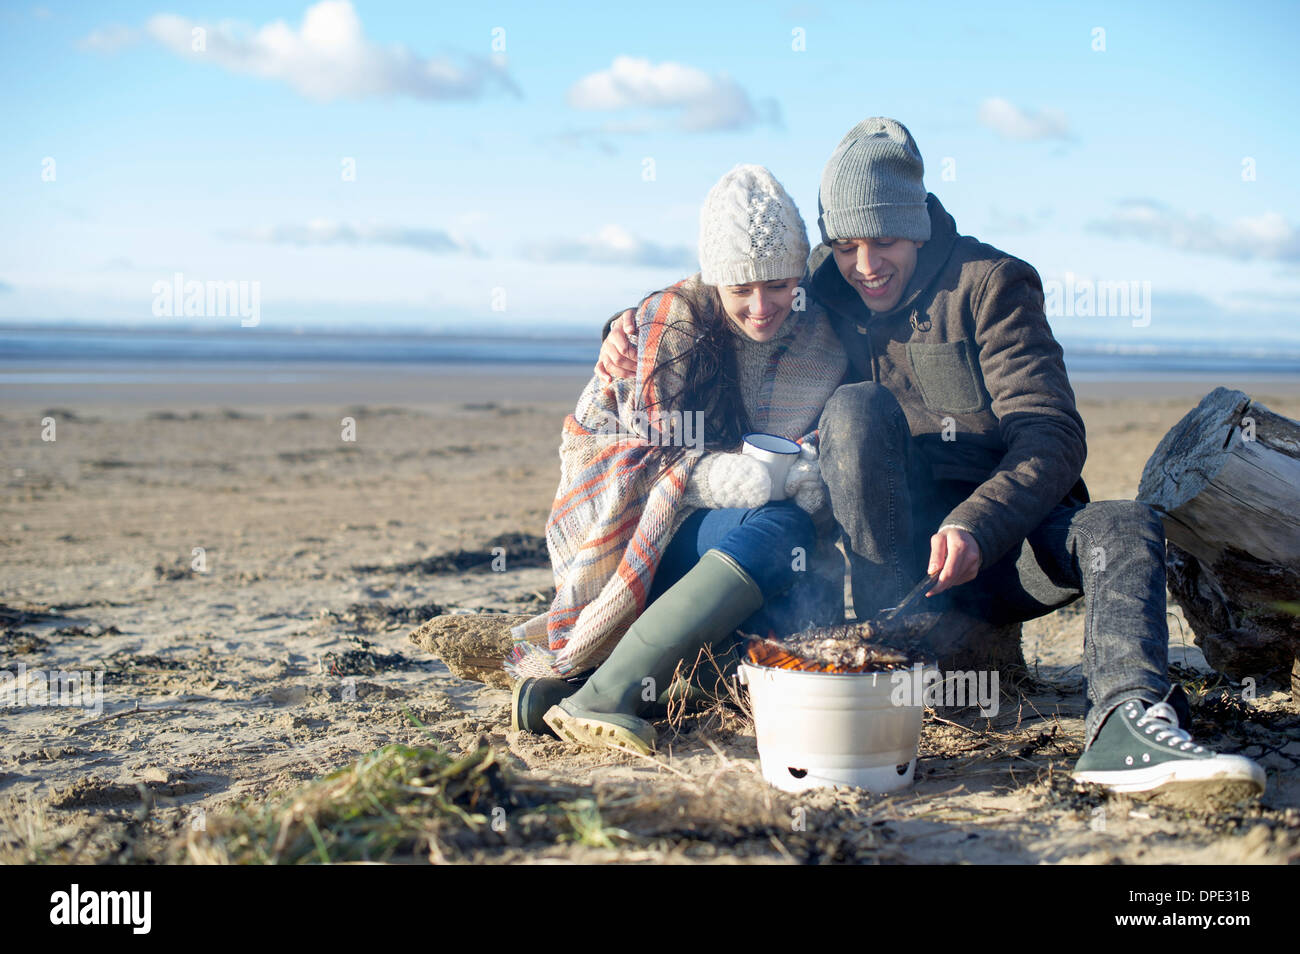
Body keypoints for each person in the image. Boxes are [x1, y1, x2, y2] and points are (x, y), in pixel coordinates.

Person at [595, 118, 1266, 802]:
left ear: (916, 226)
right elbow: (736, 279)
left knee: (1123, 521)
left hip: (1011, 544)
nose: (865, 265)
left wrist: (978, 524)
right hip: (900, 565)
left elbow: (1053, 433)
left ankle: (1126, 721)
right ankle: (895, 659)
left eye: (883, 240)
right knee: (853, 410)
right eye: (846, 245)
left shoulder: (992, 283)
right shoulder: (823, 284)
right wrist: (631, 324)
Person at [505, 164, 848, 756]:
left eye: (778, 284)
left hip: (733, 553)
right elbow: (635, 466)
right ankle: (605, 694)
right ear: (715, 281)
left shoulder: (824, 344)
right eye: (741, 288)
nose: (763, 305)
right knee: (779, 526)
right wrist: (738, 480)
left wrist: (806, 471)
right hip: (647, 542)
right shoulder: (672, 324)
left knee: (802, 589)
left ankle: (578, 692)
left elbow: (819, 444)